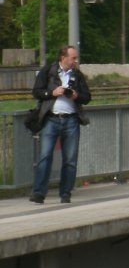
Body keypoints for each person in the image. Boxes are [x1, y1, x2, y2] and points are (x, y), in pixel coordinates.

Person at [29, 45, 92, 204]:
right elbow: (36, 91)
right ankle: (38, 193)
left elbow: (87, 97)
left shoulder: (77, 75)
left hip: (71, 120)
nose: (75, 61)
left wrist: (77, 96)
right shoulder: (48, 71)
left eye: (75, 58)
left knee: (70, 160)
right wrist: (52, 93)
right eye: (73, 58)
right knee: (45, 157)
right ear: (63, 58)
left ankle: (65, 194)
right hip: (51, 119)